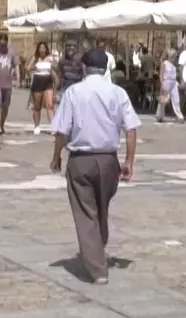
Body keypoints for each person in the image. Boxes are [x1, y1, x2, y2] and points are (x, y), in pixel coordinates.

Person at [49, 48, 139, 285]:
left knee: (86, 212)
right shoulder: (118, 93)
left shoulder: (74, 92)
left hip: (81, 159)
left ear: (84, 67)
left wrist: (56, 155)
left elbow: (62, 130)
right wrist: (129, 161)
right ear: (106, 67)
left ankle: (97, 268)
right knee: (101, 208)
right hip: (108, 159)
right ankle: (96, 249)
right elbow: (131, 129)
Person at [0, 33, 19, 136]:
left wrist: (18, 78)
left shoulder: (11, 52)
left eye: (5, 43)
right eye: (1, 43)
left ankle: (1, 124)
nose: (3, 45)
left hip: (7, 84)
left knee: (5, 107)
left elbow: (16, 65)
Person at [30, 42, 57, 134]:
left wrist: (52, 64)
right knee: (37, 106)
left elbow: (55, 69)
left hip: (48, 82)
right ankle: (37, 126)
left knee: (50, 105)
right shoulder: (36, 58)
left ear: (46, 49)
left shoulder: (50, 58)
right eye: (40, 48)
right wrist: (34, 63)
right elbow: (28, 68)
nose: (42, 50)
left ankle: (54, 126)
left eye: (44, 48)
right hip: (37, 82)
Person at [155, 47, 180, 123]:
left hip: (173, 83)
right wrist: (162, 84)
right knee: (163, 100)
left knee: (176, 99)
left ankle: (179, 115)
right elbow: (161, 75)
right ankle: (160, 115)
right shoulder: (164, 63)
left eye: (175, 57)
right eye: (173, 57)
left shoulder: (174, 66)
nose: (174, 59)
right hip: (166, 82)